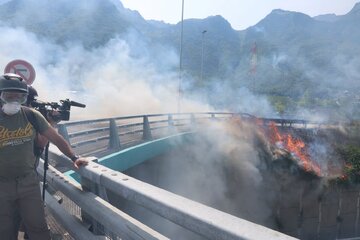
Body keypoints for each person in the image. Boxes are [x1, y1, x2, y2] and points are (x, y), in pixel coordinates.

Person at [0, 73, 88, 240]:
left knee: (38, 229)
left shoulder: (31, 115)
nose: (14, 101)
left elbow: (56, 139)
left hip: (28, 183)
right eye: (8, 96)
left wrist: (74, 157)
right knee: (5, 231)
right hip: (1, 185)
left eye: (19, 97)